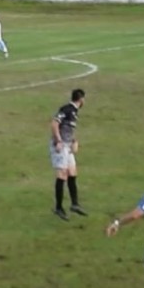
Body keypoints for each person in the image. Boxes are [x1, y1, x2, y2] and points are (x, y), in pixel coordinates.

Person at [51, 88, 87, 220]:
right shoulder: (66, 109)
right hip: (60, 145)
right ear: (81, 99)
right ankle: (58, 208)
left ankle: (74, 204)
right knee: (62, 174)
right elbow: (54, 123)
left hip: (68, 145)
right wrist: (58, 141)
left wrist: (74, 141)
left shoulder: (74, 112)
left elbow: (69, 129)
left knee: (73, 172)